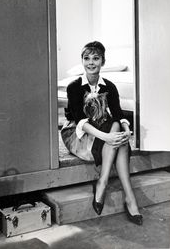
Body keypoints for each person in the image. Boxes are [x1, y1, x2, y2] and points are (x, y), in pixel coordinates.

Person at [61, 41, 143, 225]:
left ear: (103, 62)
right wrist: (107, 136)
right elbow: (81, 121)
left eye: (96, 58)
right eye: (86, 58)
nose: (91, 63)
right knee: (116, 136)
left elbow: (119, 114)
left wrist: (127, 130)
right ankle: (128, 198)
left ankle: (103, 183)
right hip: (78, 133)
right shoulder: (74, 86)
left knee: (117, 127)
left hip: (104, 129)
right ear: (82, 60)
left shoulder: (110, 87)